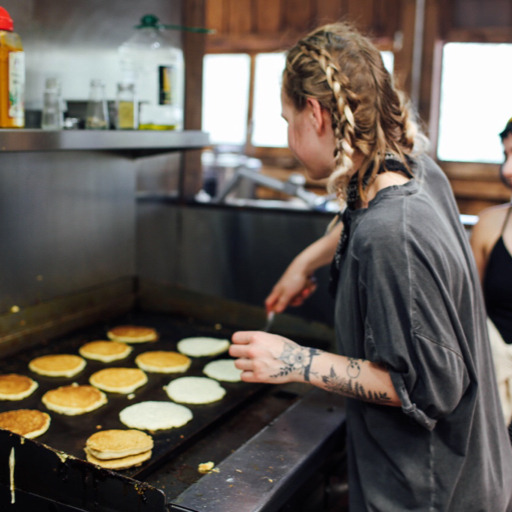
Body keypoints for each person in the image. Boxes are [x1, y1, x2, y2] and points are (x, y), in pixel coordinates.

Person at [228, 22, 512, 511]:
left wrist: (294, 361)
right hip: (470, 471)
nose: (288, 134)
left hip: (431, 493)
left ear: (315, 113)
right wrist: (307, 259)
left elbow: (431, 389)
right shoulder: (412, 167)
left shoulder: (391, 237)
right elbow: (364, 214)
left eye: (285, 119)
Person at [470, 117, 512, 439]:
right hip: (495, 391)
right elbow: (469, 313)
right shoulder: (489, 225)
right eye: (505, 156)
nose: (508, 170)